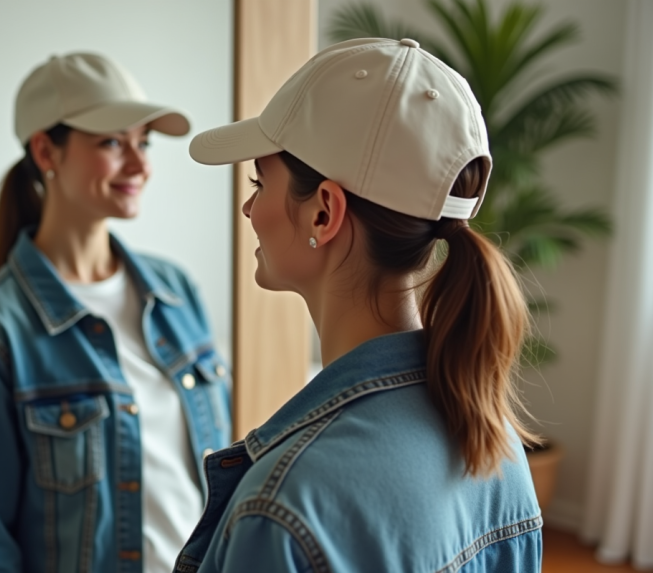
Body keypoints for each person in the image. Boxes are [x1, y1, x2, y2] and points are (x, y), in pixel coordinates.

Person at [174, 38, 542, 572]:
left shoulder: (285, 507)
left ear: (324, 213)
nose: (250, 207)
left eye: (260, 180)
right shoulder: (493, 435)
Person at [0, 52, 231, 573]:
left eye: (144, 142)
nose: (140, 165)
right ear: (46, 150)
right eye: (113, 142)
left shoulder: (176, 290)